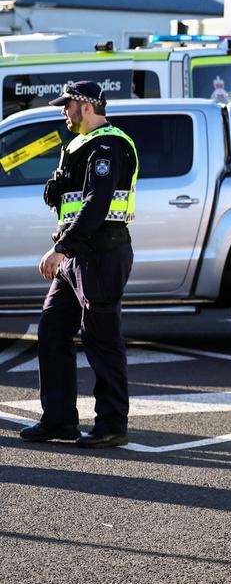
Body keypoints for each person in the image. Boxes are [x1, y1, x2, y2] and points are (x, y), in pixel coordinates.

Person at [19, 81, 137, 449]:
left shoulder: (108, 145)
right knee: (52, 330)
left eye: (67, 105)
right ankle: (58, 421)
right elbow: (72, 202)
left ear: (86, 106)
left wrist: (60, 248)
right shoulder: (79, 146)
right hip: (77, 256)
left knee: (101, 340)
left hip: (100, 254)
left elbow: (97, 206)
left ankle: (112, 424)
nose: (63, 111)